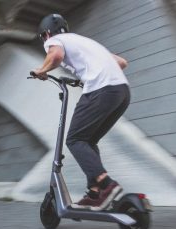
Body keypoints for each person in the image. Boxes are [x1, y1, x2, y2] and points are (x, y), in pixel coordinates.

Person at [33, 14, 130, 211]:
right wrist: (87, 76)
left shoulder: (54, 41)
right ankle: (95, 193)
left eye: (45, 37)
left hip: (101, 90)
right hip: (122, 92)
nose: (46, 41)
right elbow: (121, 62)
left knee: (75, 140)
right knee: (88, 141)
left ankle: (106, 184)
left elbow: (56, 56)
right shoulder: (84, 41)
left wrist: (42, 70)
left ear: (46, 33)